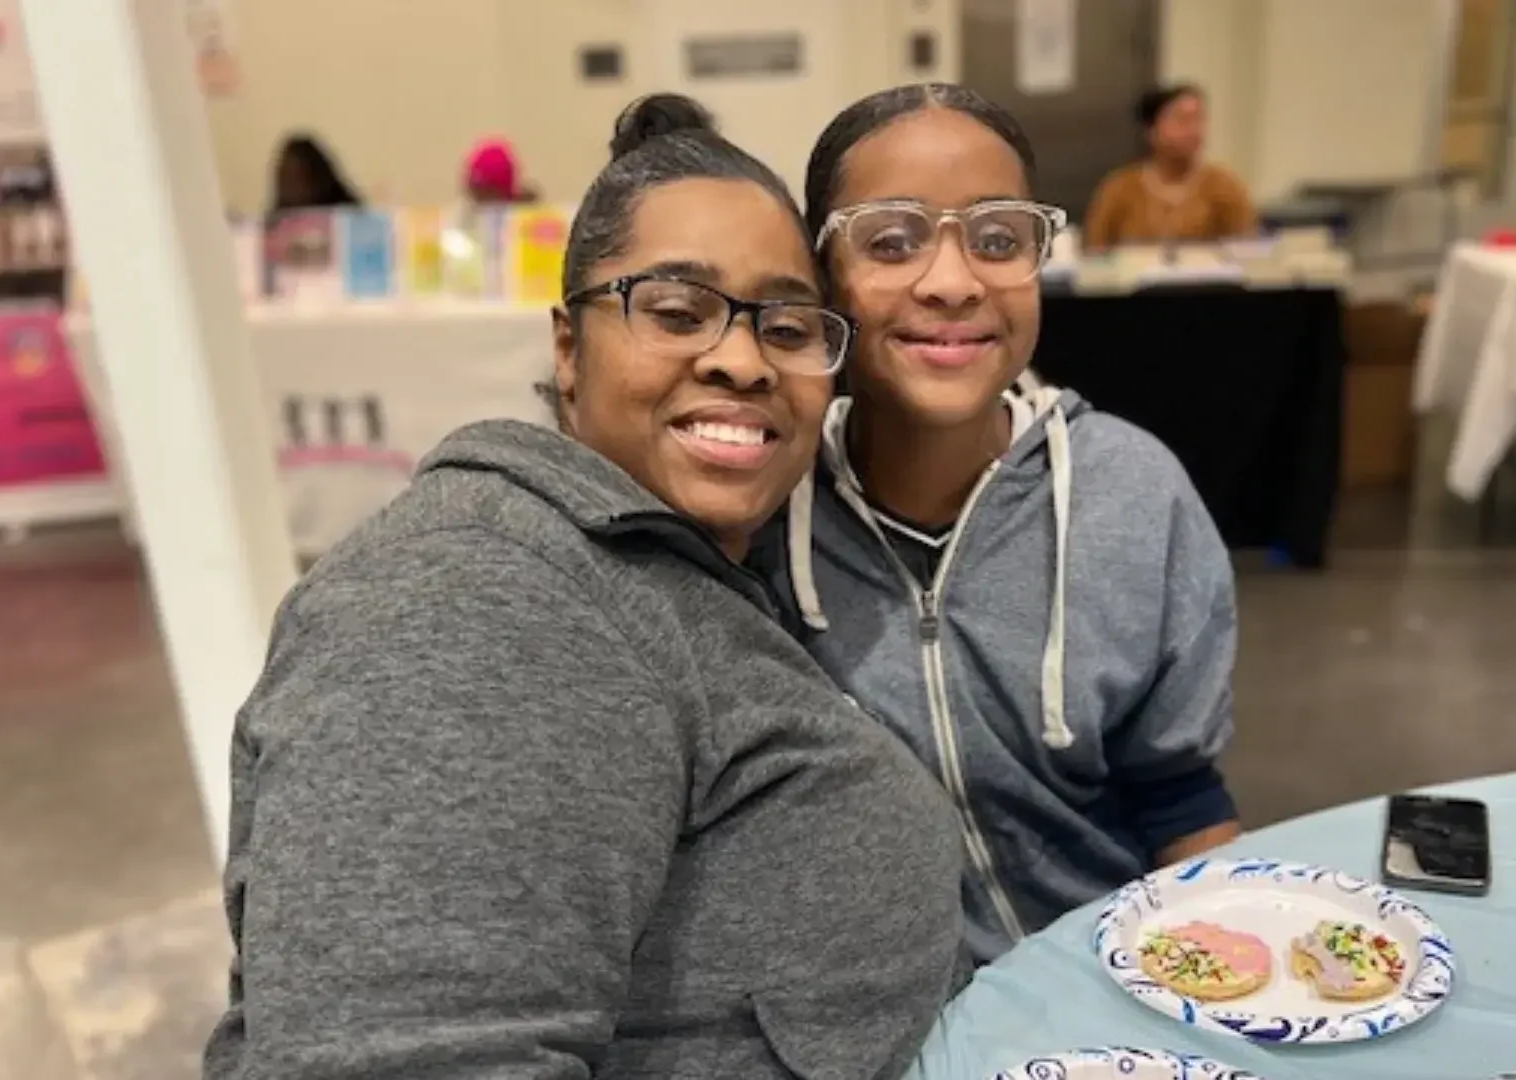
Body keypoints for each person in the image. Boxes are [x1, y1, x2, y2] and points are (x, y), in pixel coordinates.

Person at [203, 93, 964, 1080]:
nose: (739, 359)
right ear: (569, 350)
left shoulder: (663, 561)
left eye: (786, 327)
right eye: (678, 312)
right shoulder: (475, 597)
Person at [770, 83, 1242, 965]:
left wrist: (1224, 989)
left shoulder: (1133, 492)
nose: (952, 282)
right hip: (868, 1020)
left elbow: (1178, 793)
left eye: (997, 240)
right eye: (890, 241)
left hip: (1103, 989)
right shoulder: (762, 507)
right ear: (820, 274)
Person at [1081, 82, 1256, 250]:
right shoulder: (1120, 188)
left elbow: (1244, 250)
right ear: (1151, 130)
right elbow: (1095, 250)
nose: (1193, 130)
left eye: (1198, 119)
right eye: (1182, 120)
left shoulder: (1225, 187)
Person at [268, 133, 362, 214]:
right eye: (288, 180)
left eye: (299, 177)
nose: (294, 189)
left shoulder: (348, 215)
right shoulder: (275, 223)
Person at [462, 136, 539, 204]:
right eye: (474, 194)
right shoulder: (466, 217)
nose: (479, 203)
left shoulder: (530, 218)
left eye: (487, 194)